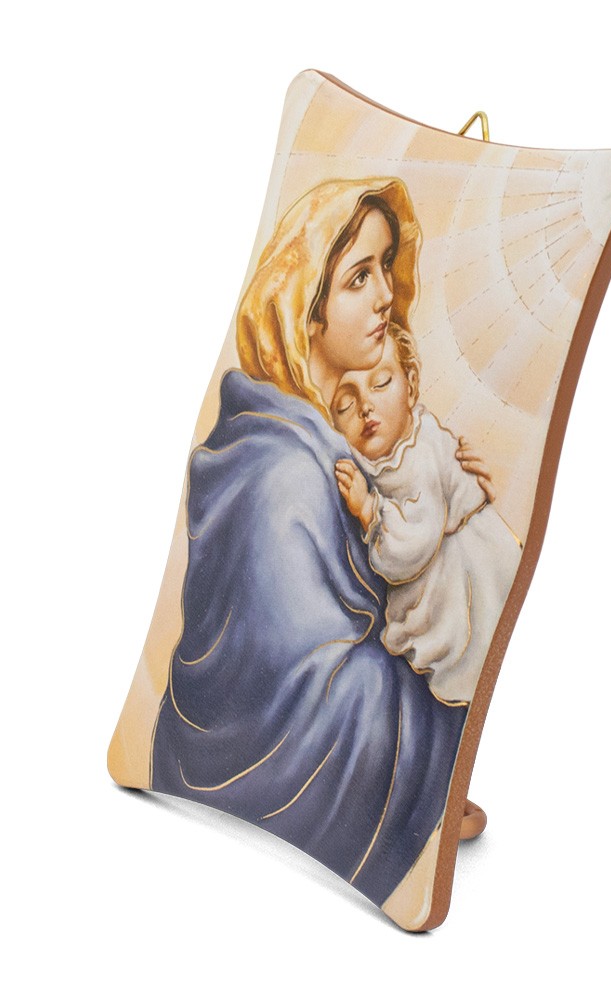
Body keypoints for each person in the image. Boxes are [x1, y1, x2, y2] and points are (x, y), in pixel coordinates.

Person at [150, 178, 492, 908]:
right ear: (305, 307)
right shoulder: (282, 469)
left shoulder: (336, 434)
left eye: (385, 268)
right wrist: (441, 727)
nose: (385, 296)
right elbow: (303, 705)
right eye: (358, 277)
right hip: (276, 772)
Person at [332, 324, 521, 704]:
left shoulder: (418, 456)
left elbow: (412, 547)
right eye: (346, 405)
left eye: (381, 383)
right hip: (453, 561)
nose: (365, 406)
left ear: (412, 385)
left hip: (464, 573)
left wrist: (368, 509)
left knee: (471, 648)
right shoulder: (392, 451)